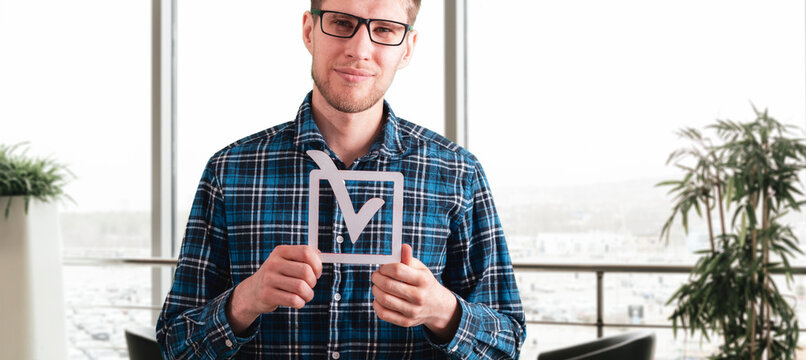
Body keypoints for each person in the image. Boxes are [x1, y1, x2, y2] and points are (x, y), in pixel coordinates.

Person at [156, 0, 526, 358]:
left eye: (384, 29)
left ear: (408, 47)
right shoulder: (231, 170)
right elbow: (176, 344)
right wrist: (246, 300)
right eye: (341, 23)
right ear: (309, 31)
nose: (359, 49)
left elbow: (507, 341)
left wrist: (443, 312)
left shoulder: (457, 172)